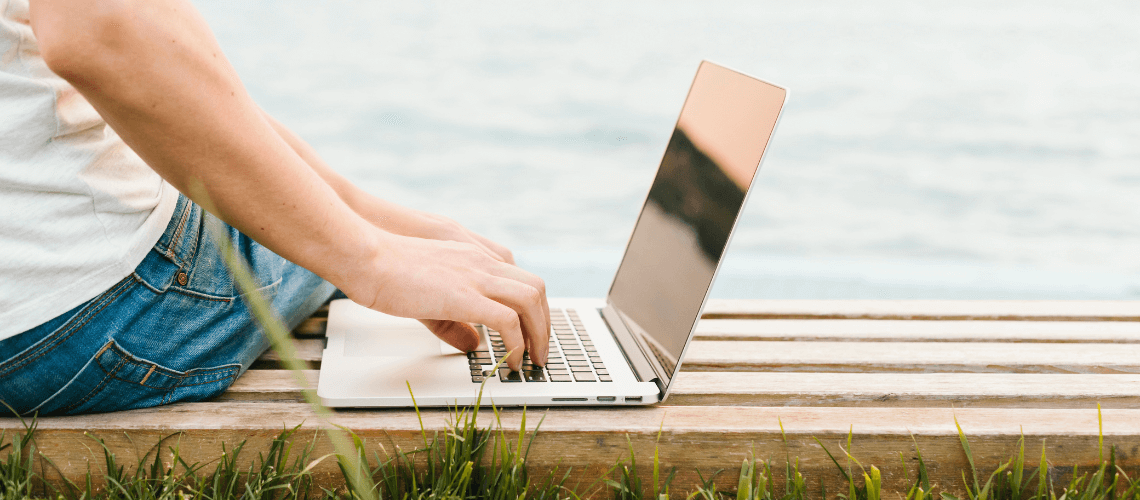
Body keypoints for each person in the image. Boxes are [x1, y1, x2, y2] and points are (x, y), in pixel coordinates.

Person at [0, 0, 550, 415]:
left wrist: (363, 213)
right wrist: (370, 257)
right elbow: (101, 33)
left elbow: (168, 56)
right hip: (83, 317)